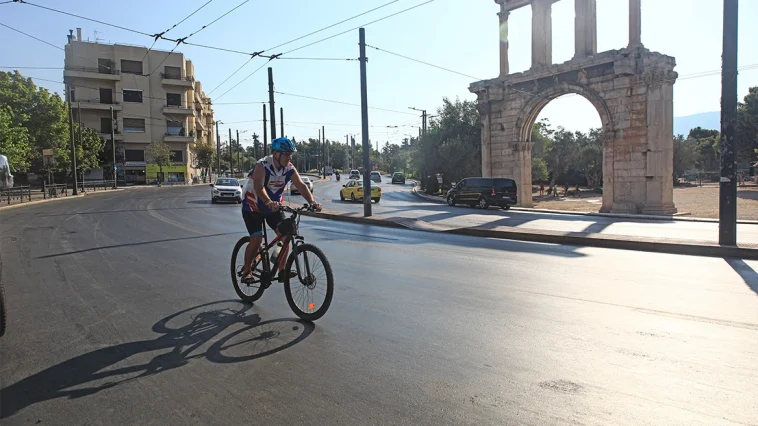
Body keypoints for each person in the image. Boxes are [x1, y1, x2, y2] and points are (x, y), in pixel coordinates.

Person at [240, 137, 322, 282]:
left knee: (285, 235)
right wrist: (267, 201)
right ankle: (247, 271)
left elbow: (301, 186)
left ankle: (281, 269)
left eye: (291, 154)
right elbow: (259, 187)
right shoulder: (262, 165)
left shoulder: (289, 168)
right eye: (286, 154)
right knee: (257, 238)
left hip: (273, 207)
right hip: (253, 206)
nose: (289, 157)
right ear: (276, 154)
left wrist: (312, 202)